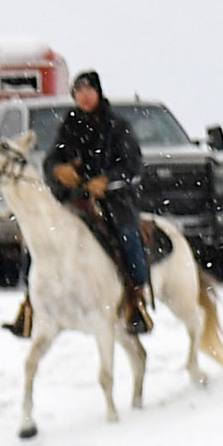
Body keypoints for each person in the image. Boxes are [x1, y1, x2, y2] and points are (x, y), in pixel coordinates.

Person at [39, 70, 154, 332]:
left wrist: (107, 180)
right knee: (39, 239)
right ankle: (30, 302)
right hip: (76, 201)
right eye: (79, 91)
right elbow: (50, 160)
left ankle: (136, 297)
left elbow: (133, 166)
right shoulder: (69, 125)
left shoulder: (117, 125)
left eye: (89, 90)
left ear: (99, 92)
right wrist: (58, 171)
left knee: (128, 234)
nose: (84, 96)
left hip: (113, 200)